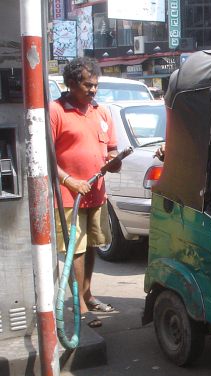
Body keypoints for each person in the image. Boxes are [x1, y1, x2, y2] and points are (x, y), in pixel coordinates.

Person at [50, 57, 121, 328]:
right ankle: (79, 305)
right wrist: (69, 181)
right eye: (87, 85)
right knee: (76, 250)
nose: (93, 90)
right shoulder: (55, 111)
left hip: (96, 194)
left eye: (95, 85)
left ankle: (87, 295)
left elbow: (112, 151)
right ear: (70, 83)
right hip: (69, 197)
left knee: (92, 245)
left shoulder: (101, 112)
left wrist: (114, 161)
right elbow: (45, 156)